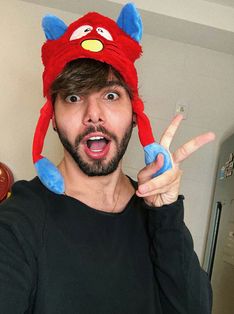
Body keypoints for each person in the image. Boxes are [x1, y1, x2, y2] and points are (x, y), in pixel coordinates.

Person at [0, 3, 214, 313]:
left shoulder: (154, 212)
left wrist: (165, 211)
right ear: (54, 119)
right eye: (74, 97)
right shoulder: (17, 225)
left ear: (134, 113)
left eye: (111, 95)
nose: (94, 115)